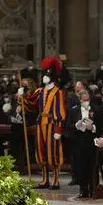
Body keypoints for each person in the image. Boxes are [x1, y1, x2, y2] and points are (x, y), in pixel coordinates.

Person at [35, 57, 67, 189]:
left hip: (51, 125)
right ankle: (44, 179)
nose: (44, 77)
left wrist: (58, 130)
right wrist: (22, 96)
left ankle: (56, 179)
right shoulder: (40, 91)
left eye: (46, 75)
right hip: (40, 124)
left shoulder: (58, 93)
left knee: (52, 152)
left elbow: (60, 113)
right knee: (41, 152)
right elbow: (31, 104)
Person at [66, 90, 103, 198]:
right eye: (83, 99)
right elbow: (68, 125)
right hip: (79, 141)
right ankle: (83, 189)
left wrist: (93, 127)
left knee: (93, 165)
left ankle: (94, 188)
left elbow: (102, 124)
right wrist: (77, 126)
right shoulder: (73, 111)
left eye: (87, 99)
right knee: (80, 166)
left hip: (92, 140)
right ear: (80, 99)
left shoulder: (96, 109)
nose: (85, 101)